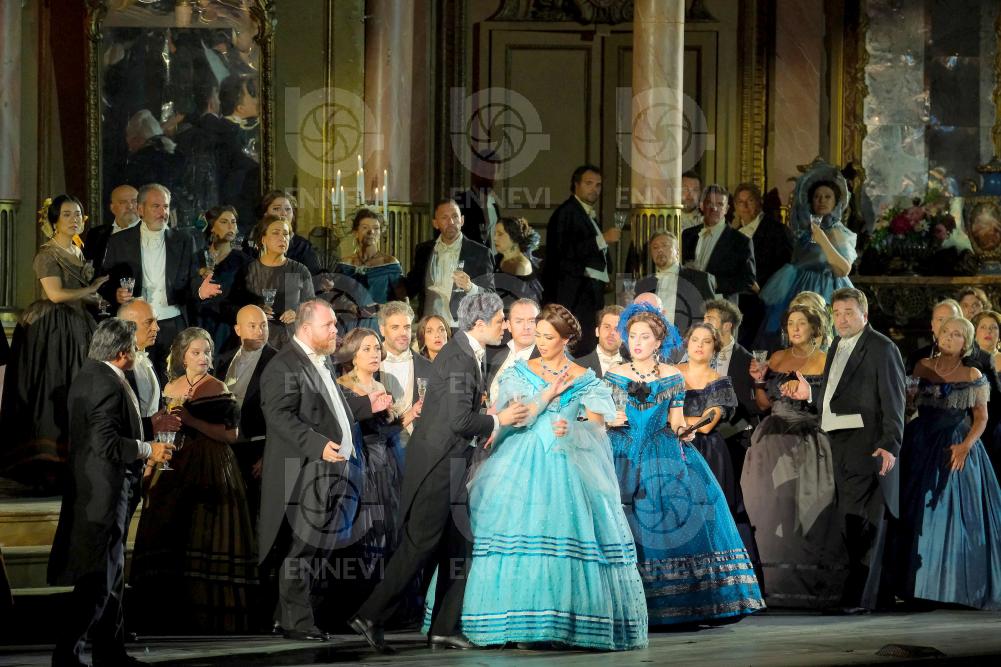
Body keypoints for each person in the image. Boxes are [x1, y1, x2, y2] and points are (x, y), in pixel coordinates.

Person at [429, 303, 649, 650]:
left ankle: (557, 623)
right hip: (521, 457)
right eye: (539, 335)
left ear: (566, 340)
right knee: (509, 534)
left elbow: (596, 424)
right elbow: (514, 414)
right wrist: (540, 401)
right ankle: (508, 621)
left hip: (567, 460)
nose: (541, 342)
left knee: (564, 535)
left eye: (548, 337)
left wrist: (574, 429)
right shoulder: (520, 371)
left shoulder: (585, 378)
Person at [350, 293, 528, 652]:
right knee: (420, 544)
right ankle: (370, 615)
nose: (505, 327)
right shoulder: (460, 358)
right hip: (439, 465)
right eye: (500, 321)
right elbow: (460, 421)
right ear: (479, 323)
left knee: (459, 546)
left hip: (452, 462)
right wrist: (500, 419)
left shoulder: (466, 352)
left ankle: (444, 628)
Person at [605, 303, 764, 625]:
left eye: (644, 337)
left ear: (657, 342)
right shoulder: (615, 374)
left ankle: (681, 604)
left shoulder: (672, 376)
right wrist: (609, 419)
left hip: (662, 448)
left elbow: (676, 420)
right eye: (633, 336)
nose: (637, 342)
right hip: (622, 450)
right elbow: (604, 415)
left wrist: (685, 432)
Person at [259, 300, 391, 642]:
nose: (336, 330)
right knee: (304, 546)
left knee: (321, 546)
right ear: (306, 329)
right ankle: (297, 622)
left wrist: (368, 405)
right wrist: (317, 445)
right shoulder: (283, 365)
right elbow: (279, 416)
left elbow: (334, 406)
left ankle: (287, 614)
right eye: (329, 325)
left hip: (336, 469)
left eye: (335, 324)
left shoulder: (322, 361)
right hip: (308, 470)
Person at [48, 318, 173, 667]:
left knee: (113, 576)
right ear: (121, 353)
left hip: (102, 489)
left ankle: (110, 652)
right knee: (99, 580)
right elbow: (105, 442)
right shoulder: (105, 382)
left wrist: (149, 426)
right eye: (132, 347)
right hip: (104, 492)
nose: (136, 351)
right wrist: (149, 449)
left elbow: (107, 426)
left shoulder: (93, 375)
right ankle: (67, 655)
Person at [130, 327, 258, 633]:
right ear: (183, 356)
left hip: (210, 463)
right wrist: (150, 465)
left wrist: (192, 420)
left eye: (207, 352)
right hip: (173, 461)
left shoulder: (216, 387)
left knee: (206, 530)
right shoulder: (171, 386)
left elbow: (231, 435)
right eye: (196, 352)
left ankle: (208, 616)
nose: (203, 358)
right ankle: (166, 613)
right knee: (168, 529)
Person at [785, 287, 905, 613]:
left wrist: (889, 445)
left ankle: (859, 597)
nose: (842, 319)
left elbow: (894, 401)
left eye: (849, 313)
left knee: (860, 518)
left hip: (866, 443)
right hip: (838, 441)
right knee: (848, 518)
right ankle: (861, 594)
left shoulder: (882, 347)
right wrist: (812, 394)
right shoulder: (837, 343)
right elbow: (836, 392)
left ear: (865, 314)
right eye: (837, 314)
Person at [0, 195, 107, 490]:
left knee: (79, 388)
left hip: (78, 326)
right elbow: (56, 295)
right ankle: (48, 464)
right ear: (55, 220)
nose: (74, 220)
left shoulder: (77, 249)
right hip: (53, 332)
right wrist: (90, 289)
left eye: (78, 214)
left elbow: (77, 294)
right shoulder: (47, 254)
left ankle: (76, 462)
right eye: (67, 214)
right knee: (53, 390)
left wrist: (95, 298)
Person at [742, 304, 846, 609]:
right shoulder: (776, 358)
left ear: (814, 328)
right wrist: (758, 381)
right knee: (769, 510)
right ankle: (772, 585)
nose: (795, 328)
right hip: (772, 440)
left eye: (801, 323)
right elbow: (764, 405)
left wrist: (808, 394)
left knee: (806, 509)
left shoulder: (826, 359)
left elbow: (834, 403)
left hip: (809, 438)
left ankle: (810, 587)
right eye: (790, 324)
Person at [896, 317, 1001, 610]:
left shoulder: (972, 372)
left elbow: (981, 418)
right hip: (921, 443)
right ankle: (915, 587)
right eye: (946, 332)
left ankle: (954, 588)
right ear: (937, 335)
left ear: (966, 342)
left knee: (949, 513)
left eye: (957, 334)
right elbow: (908, 404)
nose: (949, 337)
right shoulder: (922, 367)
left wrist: (966, 446)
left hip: (955, 442)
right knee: (916, 511)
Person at [101, 183, 222, 381]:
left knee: (175, 380)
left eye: (165, 206)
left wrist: (200, 291)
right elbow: (105, 282)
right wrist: (115, 293)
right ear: (140, 209)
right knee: (135, 379)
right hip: (135, 325)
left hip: (172, 323)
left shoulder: (184, 240)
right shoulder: (119, 241)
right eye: (156, 206)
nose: (162, 212)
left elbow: (192, 280)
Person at [758, 162, 857, 346]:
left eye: (827, 196)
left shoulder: (837, 231)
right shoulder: (805, 232)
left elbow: (843, 269)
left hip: (826, 290)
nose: (822, 200)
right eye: (817, 197)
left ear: (835, 201)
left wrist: (823, 240)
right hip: (798, 289)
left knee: (822, 338)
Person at [542, 165, 620, 351]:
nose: (594, 189)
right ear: (576, 185)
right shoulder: (566, 212)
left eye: (598, 185)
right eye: (589, 183)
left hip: (586, 294)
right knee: (578, 344)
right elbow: (562, 252)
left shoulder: (583, 212)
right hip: (573, 295)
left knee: (586, 341)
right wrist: (603, 239)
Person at [214, 305, 277, 529]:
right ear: (238, 329)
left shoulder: (278, 362)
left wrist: (269, 454)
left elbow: (283, 414)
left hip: (257, 448)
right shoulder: (223, 360)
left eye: (263, 325)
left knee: (253, 516)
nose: (260, 331)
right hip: (225, 448)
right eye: (253, 326)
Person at [677, 323, 742, 514]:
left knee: (705, 513)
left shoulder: (720, 383)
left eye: (706, 341)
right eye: (695, 340)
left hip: (707, 452)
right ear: (687, 343)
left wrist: (671, 417)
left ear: (714, 348)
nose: (699, 345)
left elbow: (705, 425)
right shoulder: (669, 373)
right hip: (671, 446)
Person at [403, 199, 495, 326]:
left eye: (455, 216)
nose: (451, 222)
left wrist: (470, 287)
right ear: (435, 223)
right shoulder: (424, 250)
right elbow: (411, 286)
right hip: (428, 326)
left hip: (462, 328)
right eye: (444, 217)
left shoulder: (480, 253)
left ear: (462, 220)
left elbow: (491, 296)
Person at [231, 214, 315, 349]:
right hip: (256, 341)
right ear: (263, 239)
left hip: (291, 342)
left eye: (286, 234)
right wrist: (255, 311)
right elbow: (232, 306)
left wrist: (297, 313)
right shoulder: (248, 270)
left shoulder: (299, 270)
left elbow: (312, 307)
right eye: (276, 233)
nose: (282, 238)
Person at [731, 182, 793, 348]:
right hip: (741, 305)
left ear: (759, 202)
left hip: (769, 305)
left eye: (750, 201)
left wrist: (762, 288)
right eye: (740, 202)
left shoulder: (777, 230)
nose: (745, 206)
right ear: (735, 206)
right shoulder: (733, 234)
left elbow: (788, 268)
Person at [681, 184, 756, 302]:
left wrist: (715, 283)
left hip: (722, 307)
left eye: (720, 204)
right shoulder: (687, 235)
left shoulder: (741, 241)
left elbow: (748, 281)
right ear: (702, 205)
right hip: (689, 303)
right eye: (710, 203)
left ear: (726, 209)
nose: (714, 208)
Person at [332, 208, 404, 330]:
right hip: (349, 327)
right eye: (365, 227)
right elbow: (334, 297)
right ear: (356, 232)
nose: (371, 232)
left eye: (376, 228)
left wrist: (379, 308)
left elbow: (403, 302)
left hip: (379, 327)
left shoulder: (389, 263)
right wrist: (348, 306)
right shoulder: (344, 264)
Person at [636, 230, 715, 333]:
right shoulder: (643, 285)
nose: (659, 250)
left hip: (689, 339)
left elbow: (713, 315)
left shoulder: (699, 279)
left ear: (677, 251)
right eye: (655, 247)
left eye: (665, 245)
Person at [198, 205, 253, 351]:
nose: (230, 226)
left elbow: (246, 301)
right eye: (224, 222)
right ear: (212, 227)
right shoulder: (197, 258)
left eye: (233, 222)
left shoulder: (244, 262)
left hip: (227, 331)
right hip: (198, 325)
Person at [377, 301, 432, 443]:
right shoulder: (367, 365)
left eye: (407, 327)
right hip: (378, 445)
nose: (403, 333)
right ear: (382, 329)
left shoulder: (428, 367)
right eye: (395, 327)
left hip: (418, 444)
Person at [485, 298, 540, 403]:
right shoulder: (498, 357)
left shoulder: (549, 359)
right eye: (519, 321)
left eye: (532, 321)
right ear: (509, 326)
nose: (526, 327)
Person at [257, 191, 323, 275]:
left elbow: (316, 276)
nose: (284, 213)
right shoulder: (252, 243)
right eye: (276, 209)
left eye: (288, 209)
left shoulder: (303, 247)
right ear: (265, 214)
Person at [83, 184, 139, 271]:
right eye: (123, 202)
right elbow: (88, 271)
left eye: (134, 201)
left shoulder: (152, 232)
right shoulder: (95, 234)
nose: (130, 206)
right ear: (112, 208)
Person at [492, 217, 543, 307]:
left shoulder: (521, 266)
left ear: (514, 237)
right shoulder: (497, 258)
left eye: (500, 234)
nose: (494, 238)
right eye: (494, 234)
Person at [575, 304, 624, 379]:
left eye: (617, 329)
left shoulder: (634, 369)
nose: (612, 333)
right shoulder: (576, 366)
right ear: (597, 331)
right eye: (607, 327)